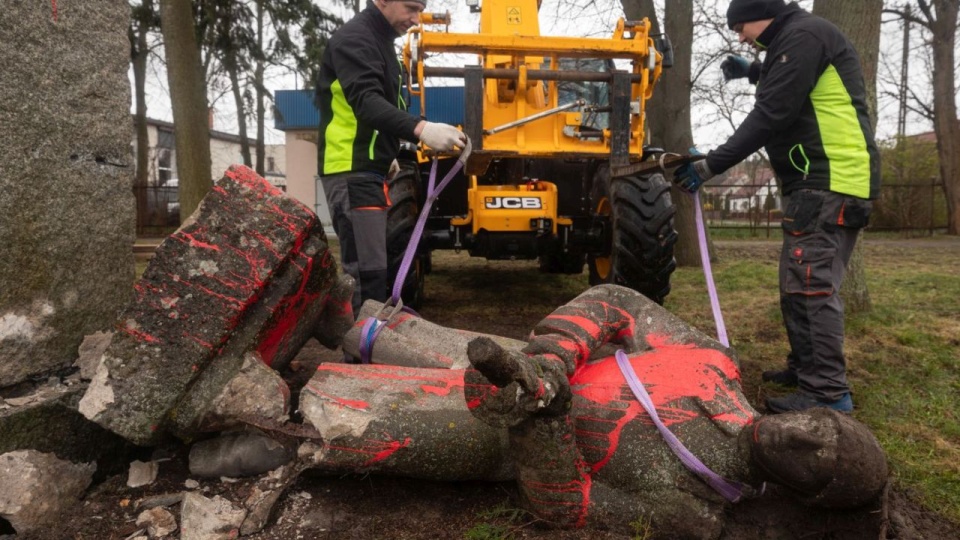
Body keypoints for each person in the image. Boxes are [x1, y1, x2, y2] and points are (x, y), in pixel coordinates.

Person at [302, 284, 889, 538]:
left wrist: (547, 424)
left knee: (337, 418)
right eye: (827, 424)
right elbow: (617, 303)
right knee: (401, 335)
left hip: (503, 439)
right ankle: (347, 326)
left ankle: (276, 425)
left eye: (821, 462)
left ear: (805, 496)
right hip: (529, 367)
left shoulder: (693, 511)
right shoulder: (714, 364)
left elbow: (567, 506)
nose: (807, 435)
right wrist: (554, 361)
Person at [673, 0, 880, 413]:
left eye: (740, 27)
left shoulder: (803, 35)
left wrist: (713, 164)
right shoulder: (796, 40)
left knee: (810, 286)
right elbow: (791, 81)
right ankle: (807, 370)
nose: (740, 36)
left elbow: (773, 111)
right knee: (797, 286)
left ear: (759, 13)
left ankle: (826, 394)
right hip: (818, 182)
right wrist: (752, 72)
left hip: (829, 181)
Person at [316, 0, 466, 318]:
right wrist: (422, 130)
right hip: (352, 168)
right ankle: (359, 362)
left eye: (421, 10)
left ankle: (365, 353)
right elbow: (367, 103)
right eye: (411, 8)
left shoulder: (382, 44)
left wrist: (390, 152)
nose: (416, 19)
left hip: (369, 169)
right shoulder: (356, 38)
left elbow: (386, 109)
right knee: (366, 275)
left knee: (373, 272)